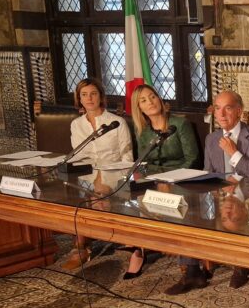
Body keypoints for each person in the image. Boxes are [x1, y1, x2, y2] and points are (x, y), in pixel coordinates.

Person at [164, 90, 249, 295]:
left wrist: (234, 153)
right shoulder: (212, 138)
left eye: (227, 108)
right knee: (188, 212)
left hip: (248, 195)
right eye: (218, 108)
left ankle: (241, 266)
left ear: (239, 111)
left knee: (235, 214)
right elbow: (208, 172)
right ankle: (193, 272)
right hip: (218, 195)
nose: (221, 114)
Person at [124, 84, 201, 279]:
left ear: (159, 99)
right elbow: (143, 163)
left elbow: (192, 159)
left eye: (152, 97)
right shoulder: (143, 131)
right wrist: (154, 181)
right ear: (139, 108)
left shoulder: (180, 124)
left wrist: (168, 180)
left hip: (182, 181)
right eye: (143, 100)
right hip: (155, 182)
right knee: (132, 198)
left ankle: (189, 265)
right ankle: (139, 249)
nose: (150, 102)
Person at [61, 78, 133, 270]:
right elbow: (78, 155)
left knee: (100, 196)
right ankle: (81, 247)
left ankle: (89, 243)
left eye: (93, 94)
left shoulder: (117, 122)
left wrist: (120, 181)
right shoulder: (76, 124)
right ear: (79, 99)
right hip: (86, 174)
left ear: (101, 96)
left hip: (114, 173)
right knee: (77, 199)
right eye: (84, 95)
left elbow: (127, 157)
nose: (89, 98)